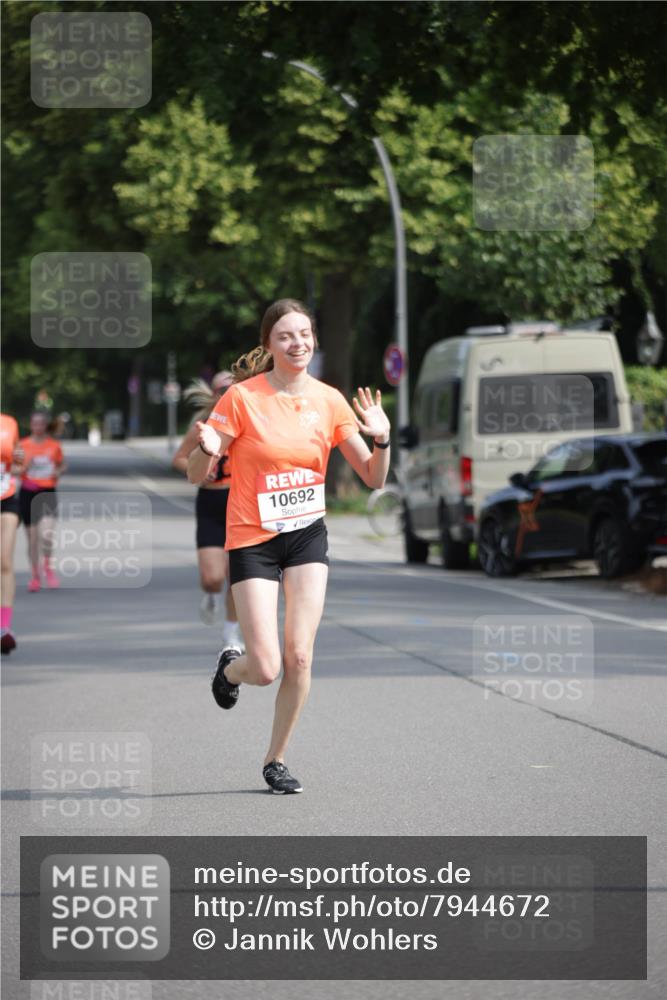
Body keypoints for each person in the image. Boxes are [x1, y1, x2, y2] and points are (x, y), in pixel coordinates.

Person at [187, 298, 390, 794]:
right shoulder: (241, 399)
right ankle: (232, 671)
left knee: (300, 658)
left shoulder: (330, 400)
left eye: (304, 334)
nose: (297, 343)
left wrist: (382, 441)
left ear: (314, 339)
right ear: (268, 345)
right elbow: (197, 474)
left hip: (306, 536)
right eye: (285, 336)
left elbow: (372, 478)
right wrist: (206, 452)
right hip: (252, 539)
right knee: (267, 667)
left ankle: (275, 759)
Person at [172, 371, 243, 648]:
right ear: (214, 395)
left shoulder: (247, 424)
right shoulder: (202, 427)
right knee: (212, 578)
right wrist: (200, 472)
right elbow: (179, 459)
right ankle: (212, 595)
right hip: (210, 504)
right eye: (222, 390)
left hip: (239, 504)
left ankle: (231, 633)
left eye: (232, 389)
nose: (226, 394)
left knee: (236, 574)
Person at [19, 411, 66, 592]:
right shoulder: (22, 446)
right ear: (31, 426)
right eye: (35, 424)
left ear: (45, 425)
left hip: (47, 492)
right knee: (32, 539)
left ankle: (47, 567)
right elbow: (14, 470)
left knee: (46, 535)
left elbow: (62, 464)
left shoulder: (54, 446)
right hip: (28, 494)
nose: (38, 427)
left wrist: (58, 472)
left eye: (41, 424)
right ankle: (35, 575)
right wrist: (25, 466)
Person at [1, 413, 24, 654]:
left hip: (6, 497)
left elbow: (18, 466)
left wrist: (19, 460)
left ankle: (3, 628)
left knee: (5, 561)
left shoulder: (10, 423)